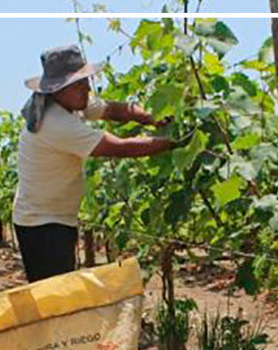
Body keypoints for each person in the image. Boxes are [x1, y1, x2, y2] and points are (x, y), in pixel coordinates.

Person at [14, 44, 183, 283]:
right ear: (59, 89)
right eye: (80, 84)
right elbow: (121, 148)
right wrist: (175, 142)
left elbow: (112, 109)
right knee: (52, 292)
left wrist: (149, 117)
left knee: (59, 288)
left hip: (54, 217)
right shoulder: (56, 124)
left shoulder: (69, 103)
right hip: (42, 224)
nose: (88, 89)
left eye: (86, 81)